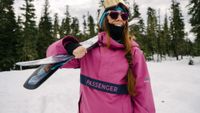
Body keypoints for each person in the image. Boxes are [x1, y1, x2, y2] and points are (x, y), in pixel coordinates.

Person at [46, 0, 155, 113]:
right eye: (113, 15)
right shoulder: (88, 51)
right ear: (104, 20)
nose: (119, 19)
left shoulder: (134, 54)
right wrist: (69, 45)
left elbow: (144, 96)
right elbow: (52, 55)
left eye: (124, 16)